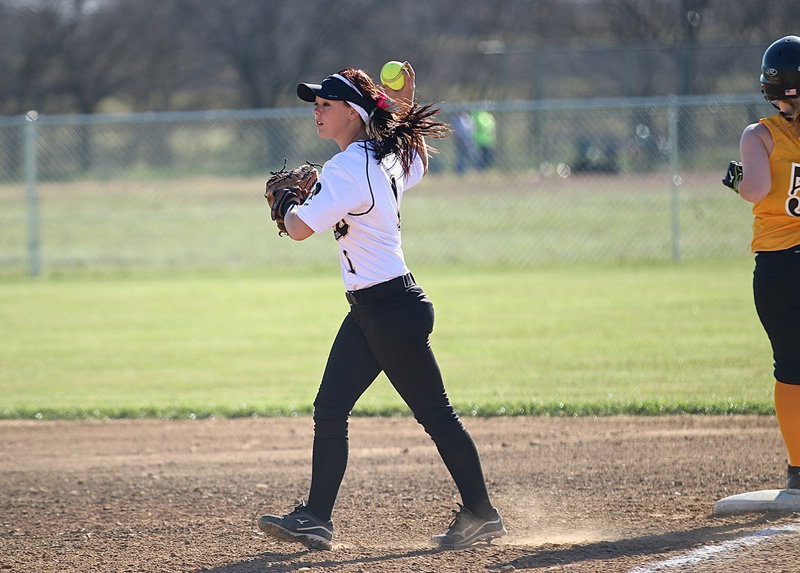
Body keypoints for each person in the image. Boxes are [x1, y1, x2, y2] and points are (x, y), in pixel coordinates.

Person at [258, 62, 506, 550]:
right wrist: (402, 107)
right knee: (330, 407)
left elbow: (300, 229)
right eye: (316, 105)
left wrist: (285, 204)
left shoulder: (349, 167)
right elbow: (415, 158)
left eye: (327, 105)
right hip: (378, 309)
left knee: (436, 416)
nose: (317, 113)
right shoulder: (377, 155)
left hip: (389, 311)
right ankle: (315, 519)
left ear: (353, 113)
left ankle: (482, 513)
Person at [723, 35, 800, 490]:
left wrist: (733, 178)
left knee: (790, 365)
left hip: (778, 266)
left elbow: (753, 190)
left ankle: (798, 471)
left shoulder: (760, 134)